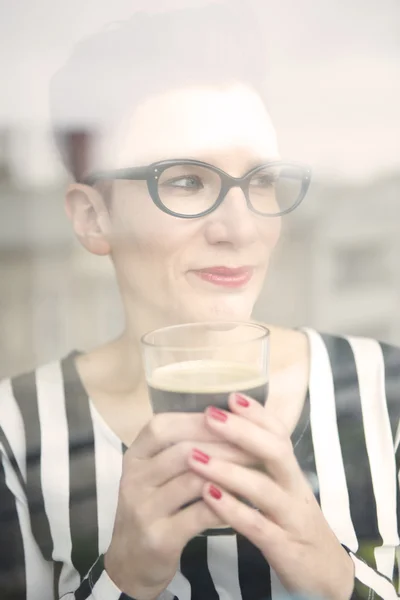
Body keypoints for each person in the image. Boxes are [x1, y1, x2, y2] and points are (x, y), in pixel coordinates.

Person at [0, 3, 399, 600]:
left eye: (260, 179)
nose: (239, 228)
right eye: (186, 180)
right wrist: (123, 578)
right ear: (93, 215)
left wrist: (336, 576)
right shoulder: (14, 431)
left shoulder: (386, 393)